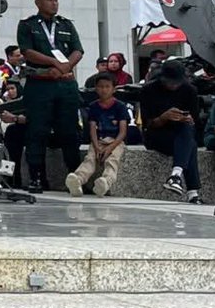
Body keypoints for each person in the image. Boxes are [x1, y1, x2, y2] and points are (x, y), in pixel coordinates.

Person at [16, 0, 83, 193]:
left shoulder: (66, 24)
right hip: (40, 85)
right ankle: (36, 177)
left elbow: (78, 50)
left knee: (70, 131)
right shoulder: (28, 25)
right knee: (37, 130)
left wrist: (65, 67)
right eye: (48, 0)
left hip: (65, 84)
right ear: (37, 2)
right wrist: (54, 63)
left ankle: (75, 176)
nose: (53, 3)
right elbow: (27, 51)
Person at [141, 60, 203, 202]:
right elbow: (147, 124)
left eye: (176, 82)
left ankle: (176, 176)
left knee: (188, 135)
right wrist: (164, 117)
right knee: (190, 145)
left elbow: (195, 120)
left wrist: (186, 118)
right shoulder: (148, 90)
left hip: (181, 133)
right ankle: (192, 192)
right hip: (158, 134)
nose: (173, 85)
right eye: (170, 82)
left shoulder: (189, 90)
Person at [65, 72, 128, 197]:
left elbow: (123, 132)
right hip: (98, 140)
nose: (103, 90)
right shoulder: (93, 107)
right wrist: (96, 146)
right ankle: (77, 180)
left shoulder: (120, 107)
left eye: (107, 86)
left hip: (115, 142)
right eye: (100, 86)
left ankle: (105, 182)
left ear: (113, 89)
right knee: (89, 159)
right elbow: (92, 129)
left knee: (112, 160)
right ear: (96, 88)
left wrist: (110, 147)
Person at [0, 80, 28, 177]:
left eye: (12, 88)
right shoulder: (4, 103)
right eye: (8, 89)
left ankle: (13, 176)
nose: (10, 91)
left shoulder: (25, 101)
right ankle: (7, 176)